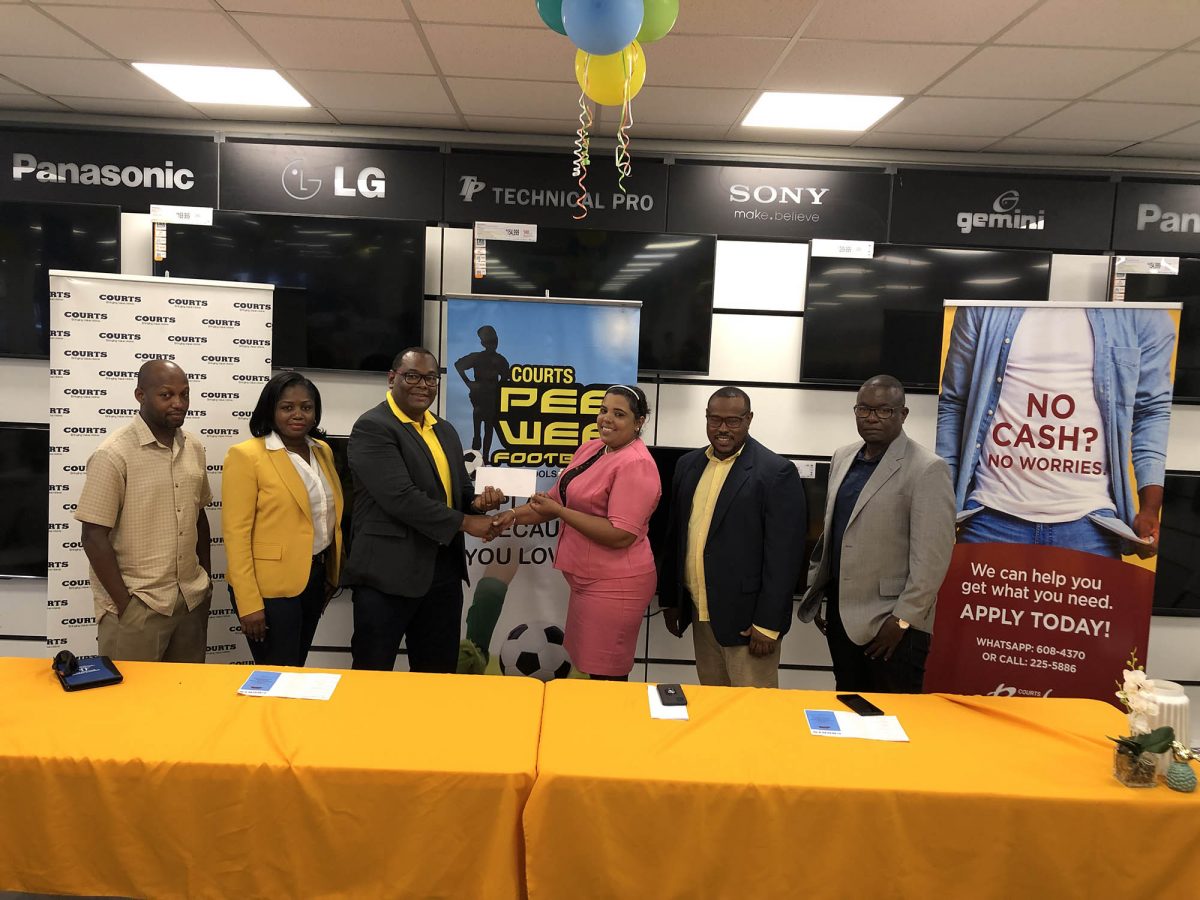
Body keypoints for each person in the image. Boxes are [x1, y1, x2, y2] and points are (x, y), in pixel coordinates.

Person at [938, 304, 1175, 559]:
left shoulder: (1144, 313)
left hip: (1091, 525)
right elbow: (954, 403)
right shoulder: (983, 306)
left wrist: (1151, 508)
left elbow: (1152, 410)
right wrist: (942, 498)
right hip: (989, 515)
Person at [343, 347, 505, 673]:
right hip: (386, 576)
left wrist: (477, 503)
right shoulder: (373, 427)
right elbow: (400, 497)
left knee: (437, 676)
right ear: (392, 378)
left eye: (431, 377)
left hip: (442, 574)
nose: (423, 385)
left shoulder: (443, 429)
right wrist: (466, 522)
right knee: (371, 677)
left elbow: (457, 490)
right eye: (412, 376)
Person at [798, 375, 955, 693]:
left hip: (893, 626)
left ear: (902, 414)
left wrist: (902, 620)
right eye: (863, 409)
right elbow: (833, 533)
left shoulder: (927, 468)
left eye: (884, 410)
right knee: (849, 711)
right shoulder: (844, 457)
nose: (871, 417)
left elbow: (932, 561)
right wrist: (818, 591)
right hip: (842, 619)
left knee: (892, 722)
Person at [493, 385, 661, 680]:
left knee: (606, 677)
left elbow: (621, 534)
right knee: (588, 669)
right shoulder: (592, 448)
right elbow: (554, 501)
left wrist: (559, 513)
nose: (606, 419)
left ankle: (607, 727)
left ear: (639, 422)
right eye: (603, 410)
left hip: (616, 586)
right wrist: (511, 517)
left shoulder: (637, 465)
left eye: (619, 414)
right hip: (587, 582)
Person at [658, 387, 806, 688]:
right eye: (715, 420)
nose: (722, 428)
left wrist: (769, 624)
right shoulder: (688, 465)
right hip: (701, 614)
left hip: (749, 625)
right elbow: (676, 537)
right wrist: (671, 600)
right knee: (714, 711)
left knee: (753, 719)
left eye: (733, 420)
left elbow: (784, 557)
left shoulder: (776, 472)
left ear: (749, 419)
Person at [76, 359, 212, 663]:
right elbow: (93, 536)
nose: (179, 403)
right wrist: (127, 606)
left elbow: (199, 516)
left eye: (185, 394)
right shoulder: (113, 454)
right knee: (129, 706)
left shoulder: (194, 447)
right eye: (166, 395)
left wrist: (205, 581)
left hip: (190, 600)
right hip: (140, 604)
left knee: (183, 700)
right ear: (140, 395)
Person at [222, 372, 344, 667]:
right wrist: (248, 603)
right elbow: (236, 535)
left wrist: (330, 574)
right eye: (287, 407)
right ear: (271, 410)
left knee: (295, 670)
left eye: (306, 407)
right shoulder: (247, 456)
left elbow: (326, 516)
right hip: (269, 591)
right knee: (277, 675)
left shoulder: (322, 451)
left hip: (314, 580)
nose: (298, 415)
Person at [454, 324, 510, 463]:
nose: (492, 344)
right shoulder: (477, 357)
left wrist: (498, 390)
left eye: (494, 341)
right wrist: (469, 383)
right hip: (480, 394)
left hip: (492, 396)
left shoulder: (501, 360)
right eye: (489, 341)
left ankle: (484, 456)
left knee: (488, 426)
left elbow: (505, 379)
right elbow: (458, 365)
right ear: (483, 343)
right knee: (478, 419)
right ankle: (477, 445)